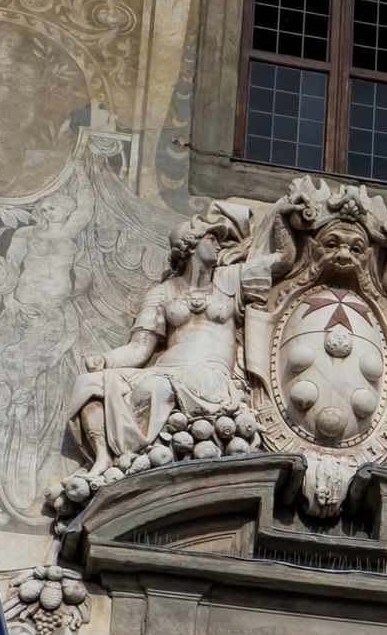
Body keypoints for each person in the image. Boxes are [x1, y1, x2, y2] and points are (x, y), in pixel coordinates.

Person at [66, 204, 250, 476]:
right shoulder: (163, 292)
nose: (218, 246)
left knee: (155, 389)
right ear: (191, 246)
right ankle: (103, 456)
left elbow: (281, 260)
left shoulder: (232, 282)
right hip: (165, 369)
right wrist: (105, 360)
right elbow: (140, 349)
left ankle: (134, 451)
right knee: (89, 383)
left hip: (209, 376)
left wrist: (285, 214)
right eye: (210, 239)